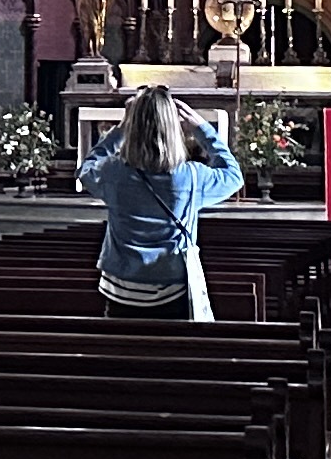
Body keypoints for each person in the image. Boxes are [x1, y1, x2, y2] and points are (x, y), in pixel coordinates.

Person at [82, 85, 244, 320]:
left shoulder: (113, 172)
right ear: (173, 129)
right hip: (171, 287)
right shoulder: (192, 176)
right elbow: (234, 176)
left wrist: (120, 130)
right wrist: (202, 129)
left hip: (120, 289)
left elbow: (85, 170)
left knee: (121, 343)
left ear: (133, 126)